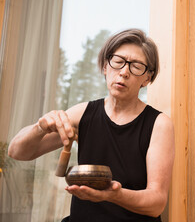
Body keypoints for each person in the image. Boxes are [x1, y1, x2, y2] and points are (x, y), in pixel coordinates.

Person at [8, 29, 175, 222]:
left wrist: (114, 195)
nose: (124, 72)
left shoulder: (159, 124)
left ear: (147, 78)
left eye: (136, 66)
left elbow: (156, 204)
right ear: (105, 66)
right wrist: (39, 128)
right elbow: (17, 152)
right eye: (118, 61)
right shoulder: (83, 114)